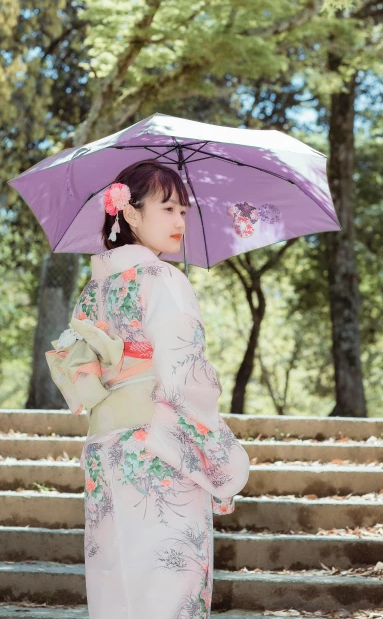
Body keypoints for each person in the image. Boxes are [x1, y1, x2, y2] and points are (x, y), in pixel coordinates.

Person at [48, 159, 250, 619]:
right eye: (168, 208)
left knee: (116, 589)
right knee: (167, 593)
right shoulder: (163, 279)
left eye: (183, 210)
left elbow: (80, 372)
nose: (180, 221)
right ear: (132, 215)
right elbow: (186, 380)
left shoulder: (91, 292)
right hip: (158, 454)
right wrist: (218, 466)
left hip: (106, 451)